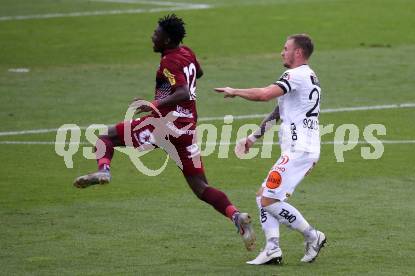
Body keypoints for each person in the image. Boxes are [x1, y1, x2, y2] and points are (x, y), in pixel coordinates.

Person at [73, 14, 255, 252]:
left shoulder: (169, 62)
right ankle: (236, 216)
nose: (153, 36)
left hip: (164, 125)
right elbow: (197, 74)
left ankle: (104, 171)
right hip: (187, 128)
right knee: (201, 186)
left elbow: (183, 93)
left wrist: (154, 104)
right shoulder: (186, 52)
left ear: (167, 40)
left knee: (105, 137)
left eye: (156, 34)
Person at [215, 34, 326, 264]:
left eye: (286, 49)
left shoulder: (294, 75)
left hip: (300, 150)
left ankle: (312, 235)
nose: (281, 52)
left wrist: (235, 91)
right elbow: (279, 111)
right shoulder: (308, 76)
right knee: (263, 196)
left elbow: (264, 95)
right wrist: (254, 137)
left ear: (298, 53)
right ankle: (273, 248)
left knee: (268, 200)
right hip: (300, 150)